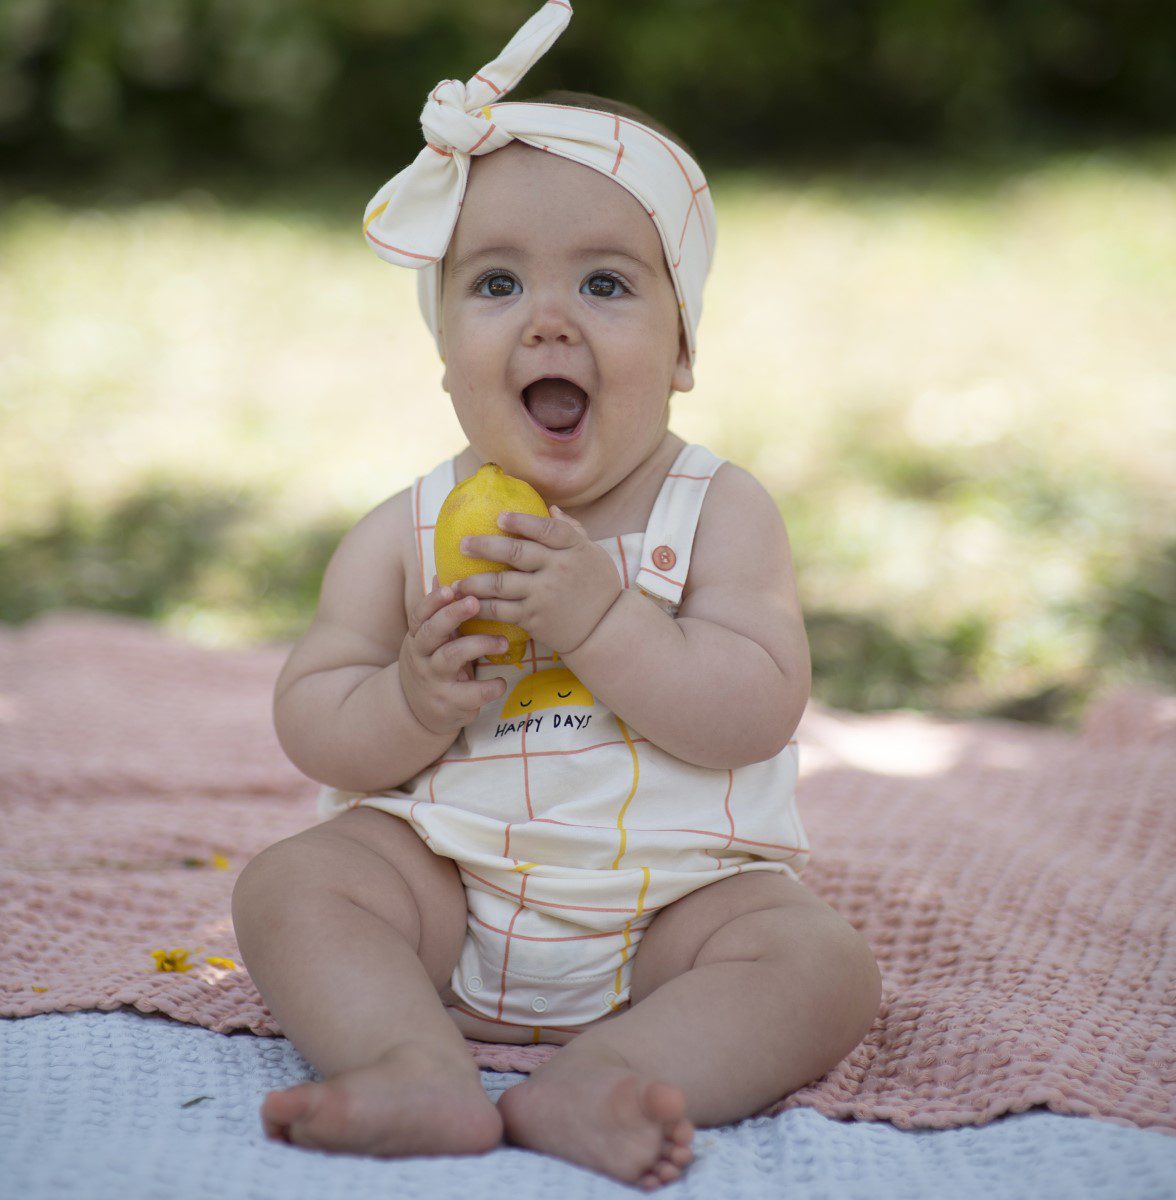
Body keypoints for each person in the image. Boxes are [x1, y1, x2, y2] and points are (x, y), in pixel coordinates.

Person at [231, 2, 881, 1188]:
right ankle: (411, 1065)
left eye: (604, 283)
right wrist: (414, 699)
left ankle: (606, 1078)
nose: (548, 319)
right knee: (294, 881)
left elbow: (757, 708)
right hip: (451, 888)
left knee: (821, 963)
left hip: (678, 913)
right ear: (442, 352)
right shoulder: (410, 532)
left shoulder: (718, 511)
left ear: (682, 350)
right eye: (493, 284)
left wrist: (600, 617)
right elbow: (313, 718)